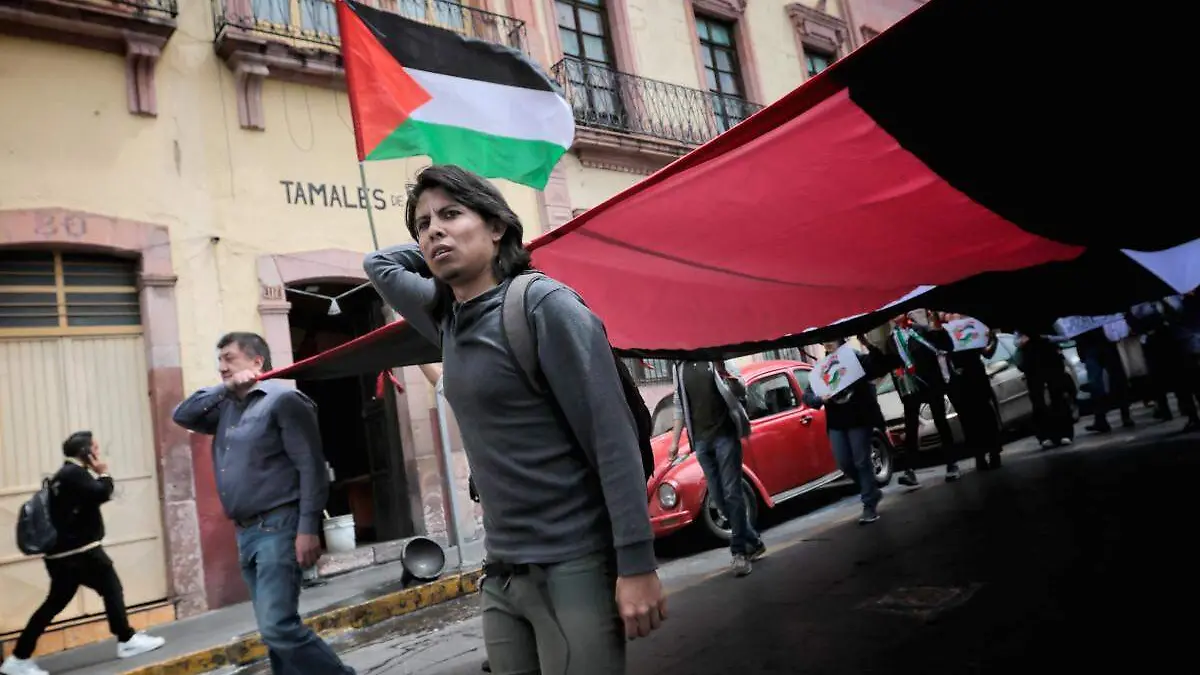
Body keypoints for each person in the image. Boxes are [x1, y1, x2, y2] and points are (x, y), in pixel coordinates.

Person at [363, 165, 664, 675]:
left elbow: (610, 439)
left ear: (497, 225)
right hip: (501, 572)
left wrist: (636, 564)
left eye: (452, 214)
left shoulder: (544, 306)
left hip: (572, 563)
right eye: (422, 223)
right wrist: (446, 241)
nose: (432, 229)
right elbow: (378, 264)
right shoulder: (446, 316)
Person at [172, 333, 354, 675]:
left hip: (279, 526)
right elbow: (183, 415)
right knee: (274, 631)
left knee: (278, 627)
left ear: (257, 361)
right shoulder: (226, 406)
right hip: (246, 532)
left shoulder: (284, 400)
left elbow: (311, 467)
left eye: (229, 358)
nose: (221, 366)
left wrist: (307, 529)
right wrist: (225, 388)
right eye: (219, 359)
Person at [2, 432, 165, 675]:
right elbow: (102, 492)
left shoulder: (63, 475)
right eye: (96, 448)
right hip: (81, 553)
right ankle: (127, 640)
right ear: (86, 452)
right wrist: (104, 472)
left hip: (63, 556)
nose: (99, 453)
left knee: (54, 604)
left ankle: (18, 658)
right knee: (111, 588)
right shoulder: (74, 474)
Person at [668, 359, 767, 576]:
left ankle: (739, 552)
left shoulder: (715, 359)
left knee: (732, 493)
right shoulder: (679, 367)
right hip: (701, 442)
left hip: (725, 436)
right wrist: (675, 442)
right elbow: (679, 404)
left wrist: (724, 373)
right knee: (719, 499)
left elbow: (741, 390)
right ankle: (754, 541)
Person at [801, 338, 890, 524]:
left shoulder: (854, 357)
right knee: (844, 463)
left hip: (859, 418)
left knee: (861, 461)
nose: (827, 343)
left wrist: (867, 342)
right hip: (836, 422)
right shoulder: (821, 368)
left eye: (831, 338)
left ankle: (868, 504)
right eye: (825, 340)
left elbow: (879, 365)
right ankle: (871, 490)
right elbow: (807, 395)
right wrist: (820, 399)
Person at [881, 311, 960, 484]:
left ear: (905, 312)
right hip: (910, 388)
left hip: (930, 382)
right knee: (910, 428)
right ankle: (910, 470)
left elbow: (944, 348)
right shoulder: (891, 340)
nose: (894, 315)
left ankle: (952, 463)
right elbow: (892, 367)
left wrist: (938, 330)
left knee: (940, 421)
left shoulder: (921, 330)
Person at [937, 313, 1004, 470]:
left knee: (986, 416)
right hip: (960, 383)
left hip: (977, 377)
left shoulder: (971, 329)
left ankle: (994, 453)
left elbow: (987, 353)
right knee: (969, 421)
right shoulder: (944, 335)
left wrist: (993, 338)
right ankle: (979, 456)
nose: (951, 316)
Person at [1013, 322, 1075, 448]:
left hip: (1051, 358)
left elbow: (1065, 336)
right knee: (1037, 399)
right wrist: (1022, 341)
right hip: (1032, 363)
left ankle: (1064, 433)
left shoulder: (1050, 320)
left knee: (1057, 394)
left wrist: (1048, 337)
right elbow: (1016, 341)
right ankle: (1045, 436)